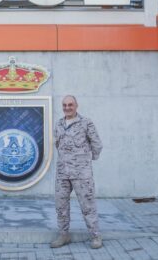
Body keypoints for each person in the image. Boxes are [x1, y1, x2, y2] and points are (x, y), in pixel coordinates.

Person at [51, 95, 104, 249]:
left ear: (76, 106)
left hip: (81, 174)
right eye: (64, 105)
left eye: (70, 105)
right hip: (62, 173)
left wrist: (87, 161)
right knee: (61, 205)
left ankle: (95, 236)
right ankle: (63, 235)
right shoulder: (59, 124)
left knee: (88, 206)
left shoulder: (86, 123)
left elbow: (97, 144)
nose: (67, 108)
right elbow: (58, 145)